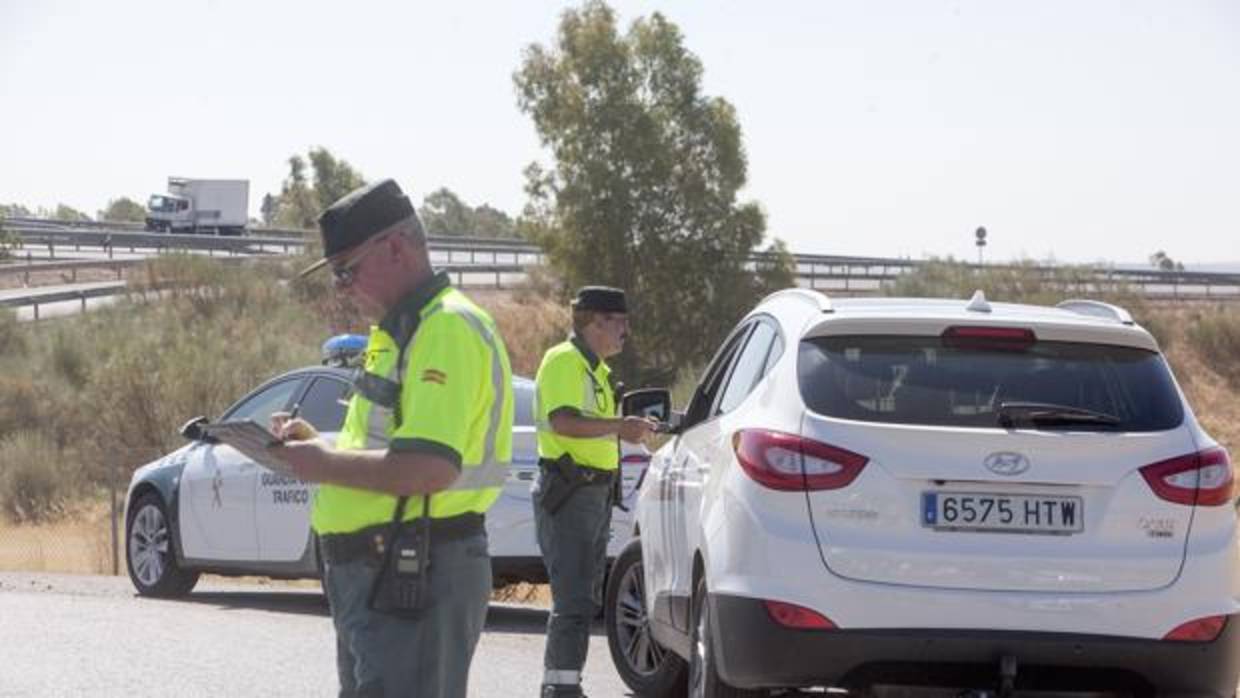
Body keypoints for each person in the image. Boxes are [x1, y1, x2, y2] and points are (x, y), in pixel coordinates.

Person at [272, 178, 515, 698]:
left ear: (397, 248)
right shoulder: (400, 330)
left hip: (415, 568)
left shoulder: (444, 328)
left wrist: (323, 464)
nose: (343, 287)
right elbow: (390, 447)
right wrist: (319, 444)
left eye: (346, 270)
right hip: (385, 571)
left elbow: (429, 468)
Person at [532, 286, 655, 698]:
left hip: (593, 492)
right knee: (571, 598)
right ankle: (560, 688)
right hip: (571, 491)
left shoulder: (596, 369)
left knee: (582, 597)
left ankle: (567, 683)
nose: (627, 331)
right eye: (620, 322)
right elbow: (563, 422)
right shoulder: (564, 361)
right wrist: (620, 428)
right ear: (595, 322)